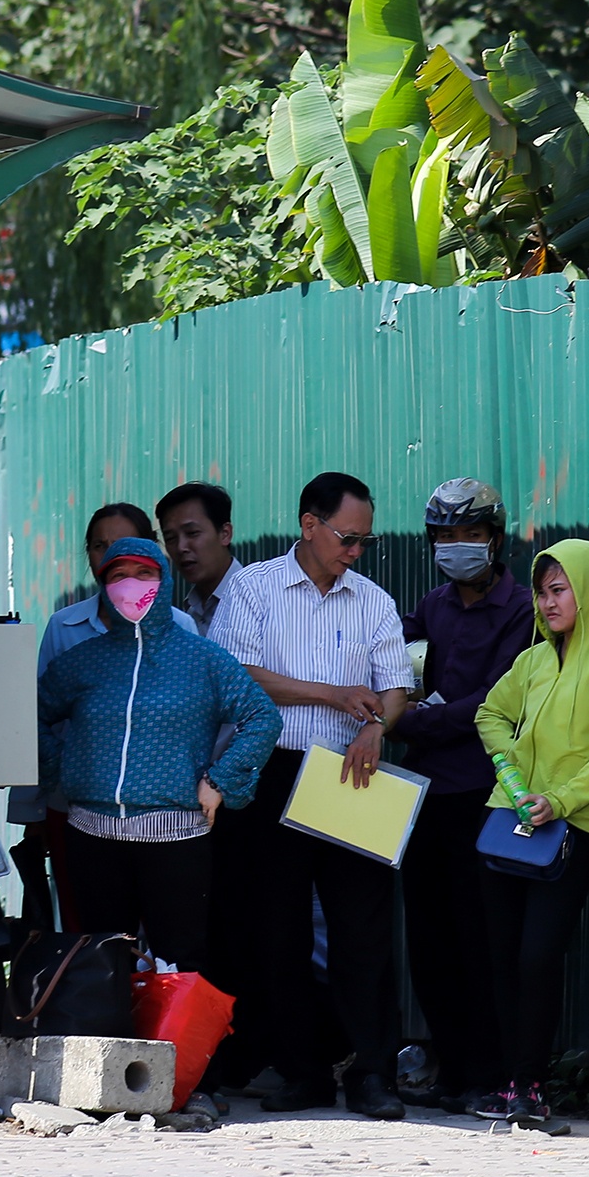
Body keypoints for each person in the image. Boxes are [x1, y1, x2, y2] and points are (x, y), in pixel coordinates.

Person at [209, 472, 414, 1119]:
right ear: (308, 524)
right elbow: (234, 674)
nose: (355, 551)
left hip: (351, 773)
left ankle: (373, 1072)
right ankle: (302, 1071)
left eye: (364, 541)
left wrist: (378, 726)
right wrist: (331, 694)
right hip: (274, 770)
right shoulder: (254, 588)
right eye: (347, 538)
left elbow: (396, 686)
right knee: (279, 929)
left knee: (363, 929)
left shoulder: (373, 601)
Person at [37, 537, 281, 971]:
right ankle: (111, 1020)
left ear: (163, 580)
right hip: (92, 838)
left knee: (179, 964)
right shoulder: (83, 662)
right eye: (118, 575)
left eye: (144, 573)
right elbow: (30, 715)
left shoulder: (202, 659)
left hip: (176, 840)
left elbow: (261, 717)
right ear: (103, 587)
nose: (131, 584)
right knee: (100, 965)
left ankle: (177, 1022)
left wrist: (220, 780)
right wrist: (64, 766)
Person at [473, 540, 589, 1131]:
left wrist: (560, 800)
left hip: (573, 828)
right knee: (501, 958)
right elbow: (489, 714)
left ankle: (532, 1085)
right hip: (510, 822)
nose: (548, 603)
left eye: (559, 590)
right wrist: (512, 775)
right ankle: (508, 1083)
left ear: (586, 590)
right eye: (541, 593)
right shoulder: (534, 660)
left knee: (537, 957)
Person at [388, 479, 533, 1114]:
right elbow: (397, 671)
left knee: (482, 940)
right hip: (424, 795)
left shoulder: (521, 610)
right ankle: (450, 1069)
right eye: (445, 536)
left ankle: (488, 1072)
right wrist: (401, 713)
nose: (457, 546)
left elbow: (494, 702)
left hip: (482, 793)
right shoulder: (432, 606)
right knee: (430, 939)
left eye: (470, 534)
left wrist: (411, 723)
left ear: (495, 539)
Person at [36, 502, 199, 674]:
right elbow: (43, 689)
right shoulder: (63, 626)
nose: (110, 556)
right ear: (88, 552)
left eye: (123, 544)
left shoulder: (180, 624)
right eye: (99, 546)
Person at [155, 482, 245, 637]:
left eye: (192, 533)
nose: (181, 547)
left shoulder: (259, 602)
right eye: (170, 538)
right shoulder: (184, 615)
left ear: (225, 534)